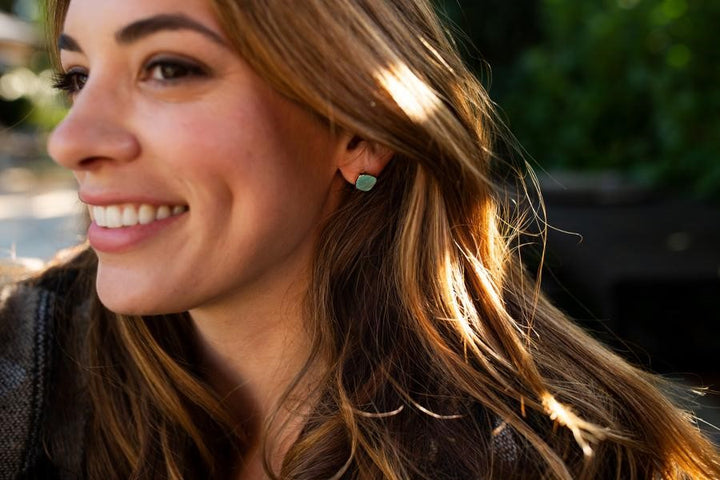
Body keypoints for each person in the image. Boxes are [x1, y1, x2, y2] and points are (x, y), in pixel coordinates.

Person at [1, 0, 718, 478]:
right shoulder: (22, 372)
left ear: (358, 130)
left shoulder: (576, 458)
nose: (70, 141)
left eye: (168, 68)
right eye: (76, 77)